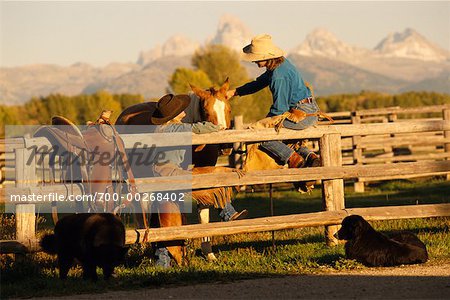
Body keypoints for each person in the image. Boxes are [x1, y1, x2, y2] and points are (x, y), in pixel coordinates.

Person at [150, 94, 247, 267]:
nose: (183, 111)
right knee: (208, 181)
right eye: (180, 110)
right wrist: (217, 126)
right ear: (175, 115)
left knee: (166, 216)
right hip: (171, 173)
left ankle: (162, 261)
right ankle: (227, 213)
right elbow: (201, 128)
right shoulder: (176, 129)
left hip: (162, 172)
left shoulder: (161, 130)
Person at [227, 34, 321, 172]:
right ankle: (310, 157)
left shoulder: (278, 76)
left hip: (301, 113)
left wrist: (264, 122)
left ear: (265, 57)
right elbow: (258, 84)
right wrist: (234, 92)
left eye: (256, 58)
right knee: (279, 136)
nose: (254, 61)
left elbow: (279, 109)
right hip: (306, 110)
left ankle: (294, 160)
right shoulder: (278, 66)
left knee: (262, 135)